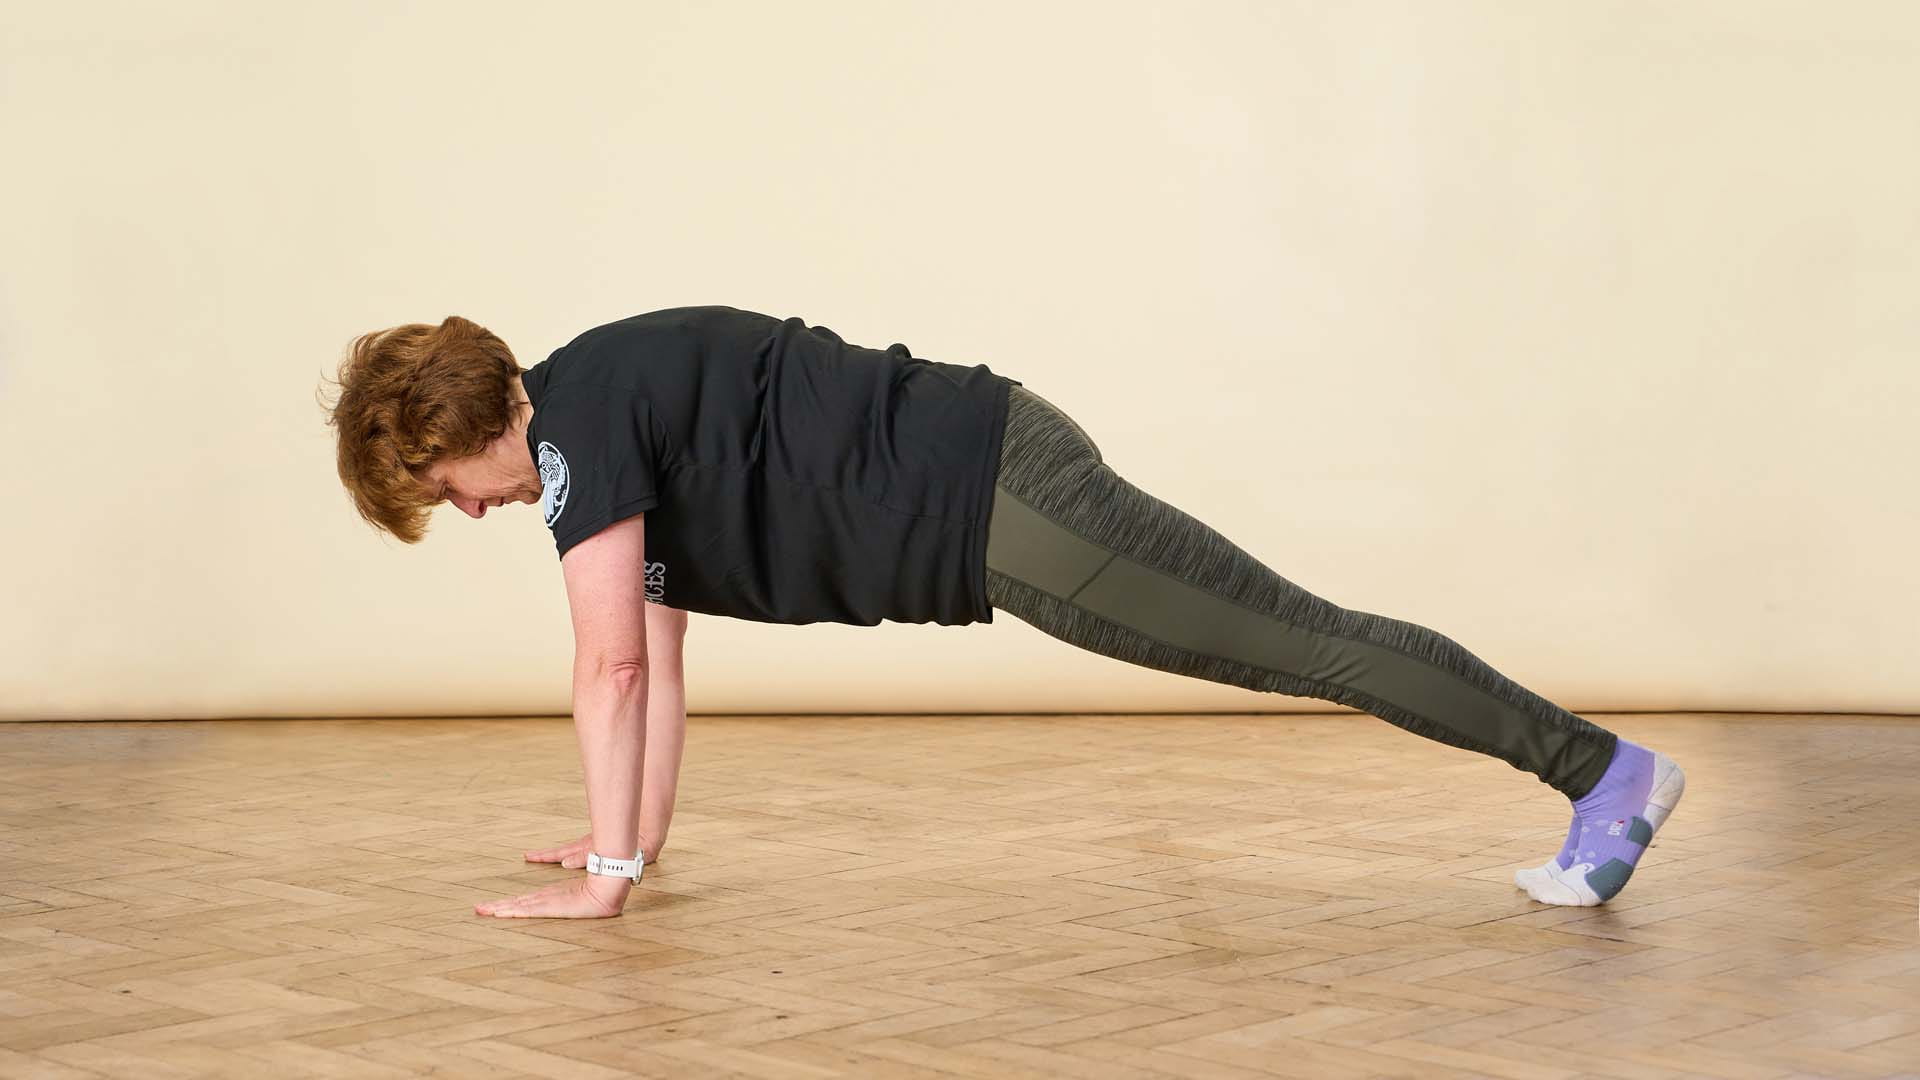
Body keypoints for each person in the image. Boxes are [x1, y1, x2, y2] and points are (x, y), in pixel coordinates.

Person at [321, 305, 1685, 919]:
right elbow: (656, 661)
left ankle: (1604, 773)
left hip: (1004, 503)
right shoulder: (597, 403)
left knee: (1301, 638)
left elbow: (608, 669)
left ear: (461, 432)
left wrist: (607, 886)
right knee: (1297, 635)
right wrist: (630, 840)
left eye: (445, 490)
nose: (470, 512)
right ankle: (1597, 773)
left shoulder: (575, 442)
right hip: (999, 478)